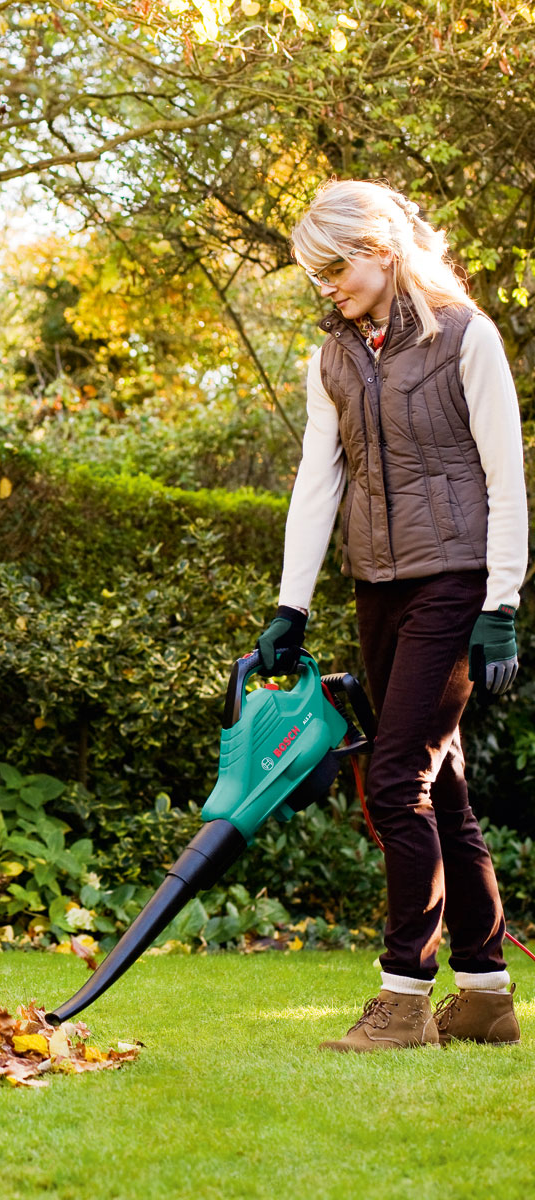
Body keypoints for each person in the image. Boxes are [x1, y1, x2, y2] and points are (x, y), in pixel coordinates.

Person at [256, 178, 528, 1052]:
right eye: (315, 273)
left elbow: (505, 477)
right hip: (379, 582)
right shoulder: (331, 358)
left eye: (334, 266)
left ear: (381, 249)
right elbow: (317, 479)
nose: (325, 284)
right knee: (440, 782)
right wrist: (290, 604)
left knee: (397, 774)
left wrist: (502, 602)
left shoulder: (465, 336)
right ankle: (485, 995)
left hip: (456, 578)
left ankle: (405, 995)